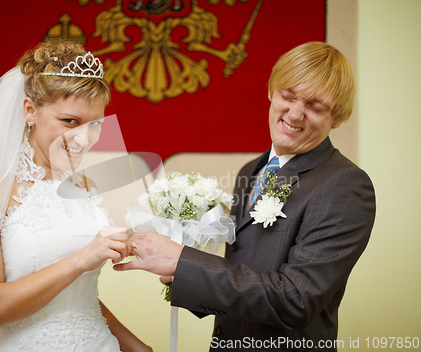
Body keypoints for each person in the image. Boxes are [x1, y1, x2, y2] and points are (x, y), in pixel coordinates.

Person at [115, 42, 376, 351]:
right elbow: (245, 272)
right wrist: (183, 275)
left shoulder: (345, 184)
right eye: (288, 96)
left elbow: (296, 299)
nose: (295, 113)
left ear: (338, 118)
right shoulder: (250, 171)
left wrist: (185, 262)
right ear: (271, 92)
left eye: (316, 107)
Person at [0, 39, 152, 352]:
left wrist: (135, 346)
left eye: (95, 123)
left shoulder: (82, 186)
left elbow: (74, 298)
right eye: (69, 121)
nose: (83, 139)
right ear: (30, 110)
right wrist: (83, 258)